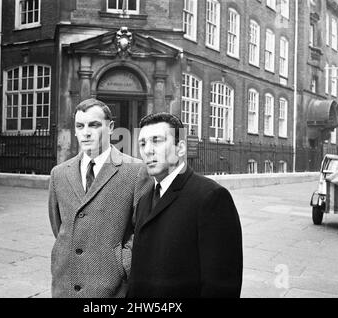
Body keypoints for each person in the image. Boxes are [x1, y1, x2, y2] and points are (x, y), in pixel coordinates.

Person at [128, 112, 243, 298]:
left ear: (180, 148)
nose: (148, 150)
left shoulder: (211, 197)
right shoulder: (145, 198)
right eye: (142, 143)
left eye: (156, 141)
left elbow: (221, 286)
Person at [48, 98, 150, 298]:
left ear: (110, 127)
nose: (86, 132)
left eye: (94, 125)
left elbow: (143, 231)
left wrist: (121, 264)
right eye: (80, 126)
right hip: (65, 282)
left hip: (111, 287)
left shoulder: (136, 171)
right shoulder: (59, 173)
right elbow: (59, 225)